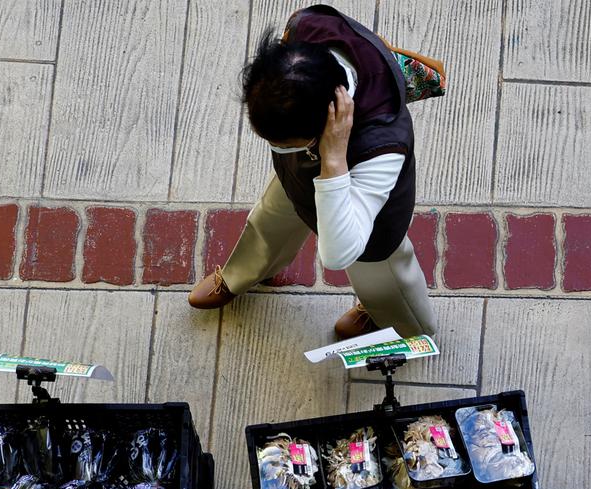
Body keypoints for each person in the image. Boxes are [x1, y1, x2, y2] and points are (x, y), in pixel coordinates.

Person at [187, 4, 437, 341]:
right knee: (269, 221)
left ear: (327, 126)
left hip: (370, 222)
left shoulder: (382, 146)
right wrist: (302, 152)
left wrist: (333, 160)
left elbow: (338, 253)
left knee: (382, 277)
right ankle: (247, 271)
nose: (276, 147)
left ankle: (403, 325)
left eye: (285, 143)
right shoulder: (306, 29)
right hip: (299, 177)